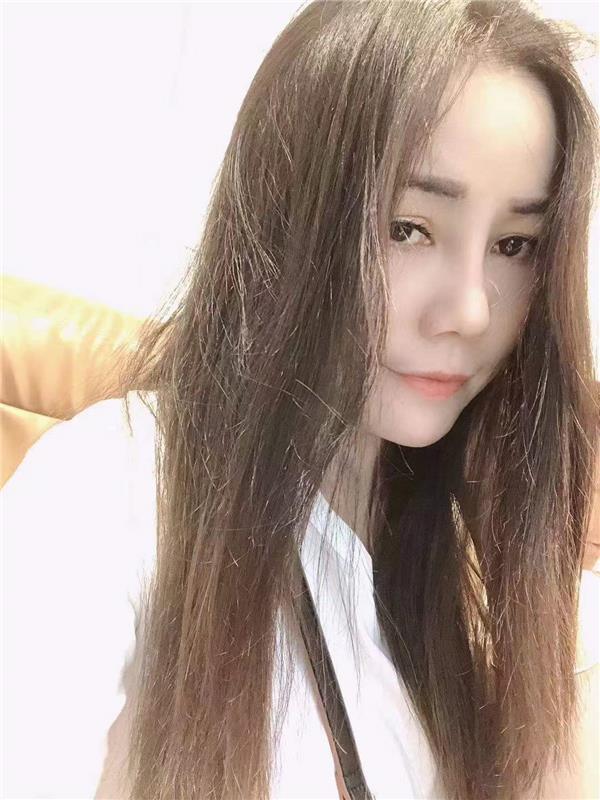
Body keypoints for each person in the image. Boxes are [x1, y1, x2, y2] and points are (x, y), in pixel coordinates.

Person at [2, 1, 599, 798]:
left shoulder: (464, 571)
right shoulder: (116, 489)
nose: (469, 310)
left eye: (514, 245)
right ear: (286, 215)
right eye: (409, 228)